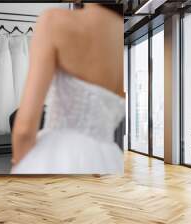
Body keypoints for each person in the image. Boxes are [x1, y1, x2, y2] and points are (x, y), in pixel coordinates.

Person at [11, 3, 125, 174]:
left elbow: (25, 129)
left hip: (59, 156)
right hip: (109, 160)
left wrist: (20, 166)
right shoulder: (121, 31)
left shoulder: (54, 21)